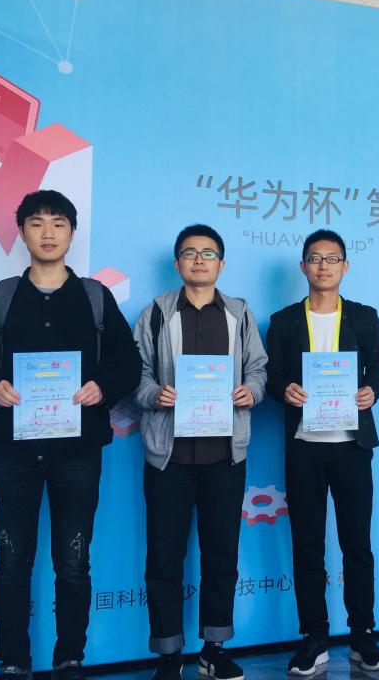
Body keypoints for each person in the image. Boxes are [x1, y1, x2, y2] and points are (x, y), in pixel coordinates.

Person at [0, 190, 141, 680]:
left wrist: (103, 387)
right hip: (11, 455)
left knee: (73, 562)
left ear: (72, 233)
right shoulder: (2, 298)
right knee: (11, 561)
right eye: (37, 223)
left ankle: (69, 658)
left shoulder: (95, 298)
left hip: (77, 454)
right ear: (22, 233)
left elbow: (128, 363)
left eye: (58, 223)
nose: (48, 232)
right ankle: (13, 661)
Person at [133, 224, 267, 680]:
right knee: (163, 558)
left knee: (221, 555)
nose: (199, 260)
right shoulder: (156, 313)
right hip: (167, 457)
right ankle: (169, 654)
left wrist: (251, 391)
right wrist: (154, 395)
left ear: (221, 264)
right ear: (177, 263)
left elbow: (258, 368)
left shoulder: (239, 313)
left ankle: (214, 648)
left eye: (208, 253)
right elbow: (137, 372)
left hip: (225, 456)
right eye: (190, 253)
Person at [265, 229, 379, 676]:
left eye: (332, 258)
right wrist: (285, 389)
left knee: (357, 545)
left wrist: (371, 390)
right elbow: (270, 375)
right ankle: (313, 637)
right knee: (307, 545)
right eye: (315, 258)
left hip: (352, 446)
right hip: (305, 447)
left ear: (345, 266)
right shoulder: (283, 321)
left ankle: (362, 636)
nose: (323, 266)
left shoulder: (364, 317)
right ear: (303, 267)